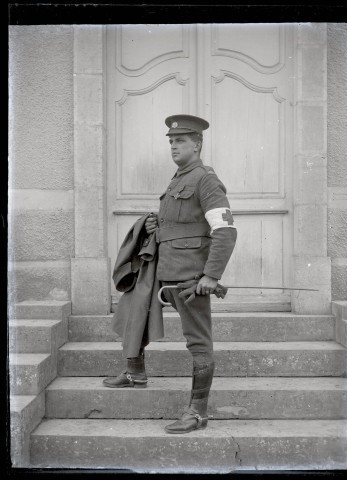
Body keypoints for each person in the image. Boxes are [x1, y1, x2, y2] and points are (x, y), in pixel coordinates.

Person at [105, 114, 237, 435]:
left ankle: (197, 412)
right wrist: (154, 225)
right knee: (136, 308)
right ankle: (135, 372)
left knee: (198, 342)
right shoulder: (179, 177)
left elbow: (225, 230)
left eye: (180, 141)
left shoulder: (205, 179)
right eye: (171, 141)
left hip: (190, 277)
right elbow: (181, 221)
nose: (174, 146)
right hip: (163, 268)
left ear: (197, 144)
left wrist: (210, 275)